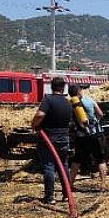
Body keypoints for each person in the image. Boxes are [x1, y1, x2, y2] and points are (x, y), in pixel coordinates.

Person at [31, 77, 73, 205]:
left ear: (51, 86)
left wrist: (34, 124)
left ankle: (50, 197)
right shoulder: (67, 102)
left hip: (49, 138)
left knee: (49, 166)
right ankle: (67, 194)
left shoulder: (48, 99)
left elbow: (40, 115)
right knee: (63, 165)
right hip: (64, 137)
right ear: (63, 87)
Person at [68, 84, 107, 190]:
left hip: (81, 136)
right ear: (79, 91)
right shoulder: (89, 100)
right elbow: (100, 114)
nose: (82, 91)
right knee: (101, 159)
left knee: (76, 160)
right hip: (95, 134)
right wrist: (95, 123)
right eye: (81, 89)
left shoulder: (70, 104)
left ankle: (70, 185)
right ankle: (103, 185)